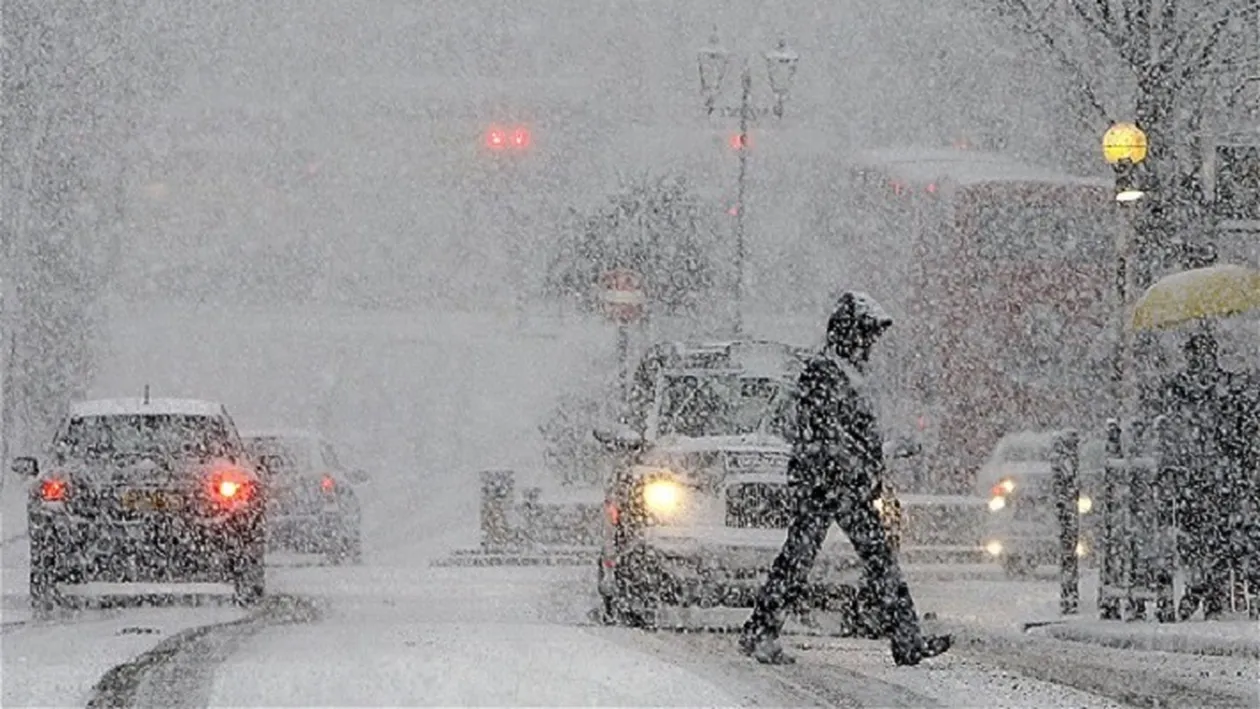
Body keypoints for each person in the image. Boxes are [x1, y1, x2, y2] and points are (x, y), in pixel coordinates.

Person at [739, 291, 951, 666]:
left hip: (836, 482)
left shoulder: (842, 374)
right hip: (831, 483)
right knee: (866, 559)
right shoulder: (824, 373)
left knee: (812, 558)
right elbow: (826, 433)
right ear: (850, 334)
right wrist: (855, 464)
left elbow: (845, 435)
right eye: (867, 336)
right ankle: (905, 638)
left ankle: (762, 629)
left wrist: (876, 455)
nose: (870, 345)